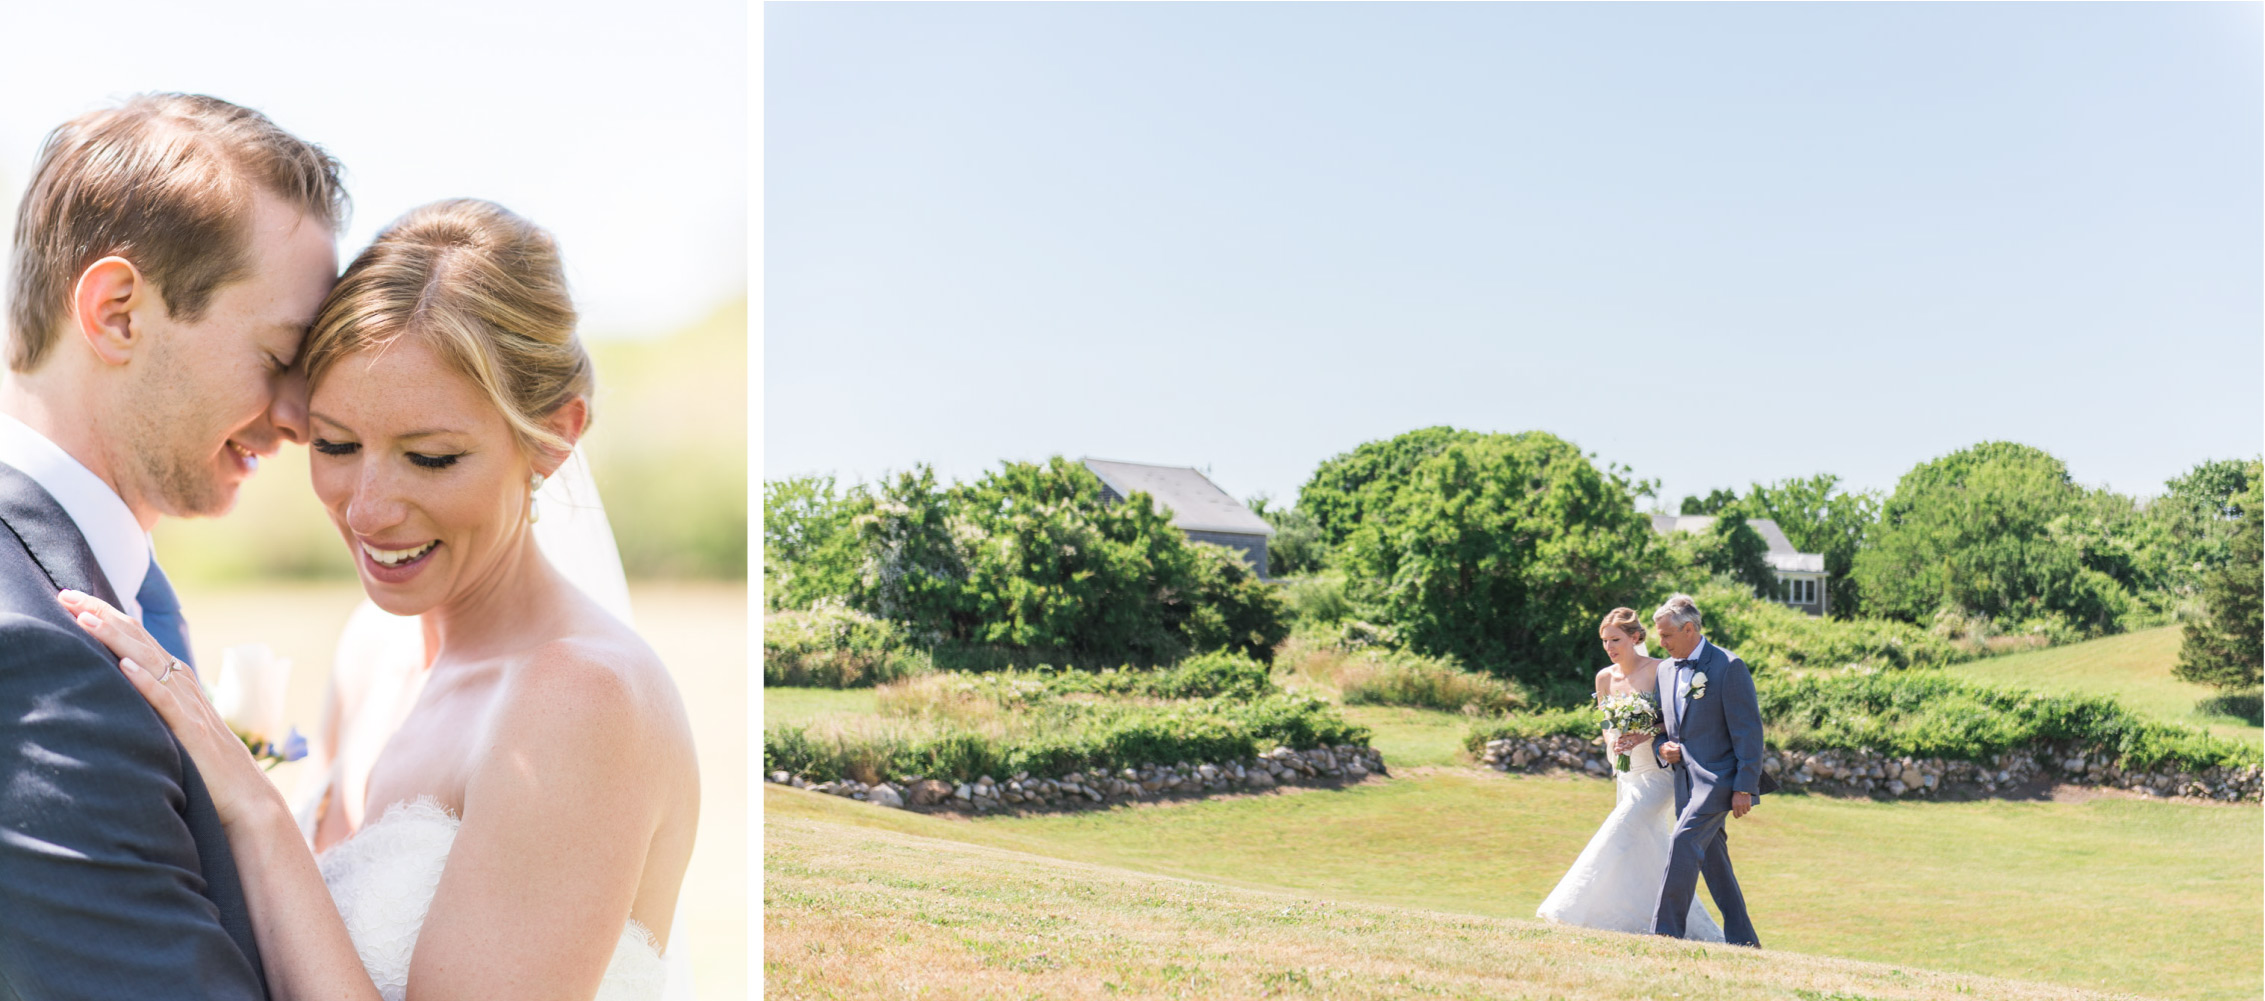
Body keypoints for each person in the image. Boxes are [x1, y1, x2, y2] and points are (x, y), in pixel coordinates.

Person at [60, 197, 700, 1000]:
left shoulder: (580, 701)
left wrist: (253, 809)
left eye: (429, 457)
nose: (366, 510)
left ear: (553, 436)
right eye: (334, 445)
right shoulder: (370, 646)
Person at [0, 93, 343, 998]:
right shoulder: (33, 651)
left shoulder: (108, 595)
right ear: (116, 311)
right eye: (279, 356)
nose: (302, 418)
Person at [1535, 607, 1726, 940]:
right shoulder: (1604, 678)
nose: (1610, 647)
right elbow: (1606, 722)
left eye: (1616, 639)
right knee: (1645, 844)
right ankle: (1662, 922)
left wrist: (1644, 734)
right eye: (1605, 641)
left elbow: (1677, 719)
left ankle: (1566, 908)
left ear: (1636, 637)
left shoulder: (1660, 670)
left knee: (1620, 827)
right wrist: (1614, 741)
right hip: (1626, 771)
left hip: (1657, 773)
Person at [1648, 592, 1765, 947]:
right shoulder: (1665, 671)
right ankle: (1745, 940)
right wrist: (1660, 748)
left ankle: (1664, 934)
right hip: (1685, 781)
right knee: (1714, 863)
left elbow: (1749, 731)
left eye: (1667, 636)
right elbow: (1660, 727)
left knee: (1683, 842)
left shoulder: (1729, 666)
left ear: (1689, 629)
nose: (1662, 643)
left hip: (1719, 781)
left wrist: (1745, 786)